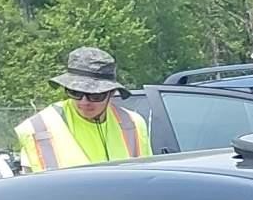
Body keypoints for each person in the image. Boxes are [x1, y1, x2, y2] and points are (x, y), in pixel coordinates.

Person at [13, 48, 150, 172]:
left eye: (95, 95)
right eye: (75, 92)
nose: (84, 101)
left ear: (112, 92)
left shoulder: (133, 124)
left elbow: (145, 177)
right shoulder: (37, 128)